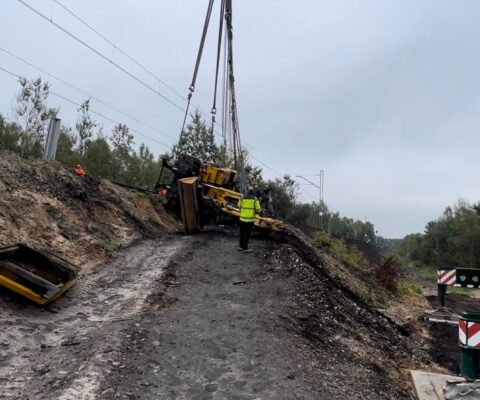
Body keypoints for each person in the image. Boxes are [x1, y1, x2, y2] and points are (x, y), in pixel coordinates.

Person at [237, 186, 261, 253]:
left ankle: (240, 246)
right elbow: (258, 209)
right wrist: (257, 211)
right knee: (247, 234)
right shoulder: (255, 199)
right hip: (250, 220)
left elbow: (239, 206)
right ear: (253, 192)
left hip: (242, 219)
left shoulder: (242, 197)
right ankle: (245, 248)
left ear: (247, 191)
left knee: (242, 233)